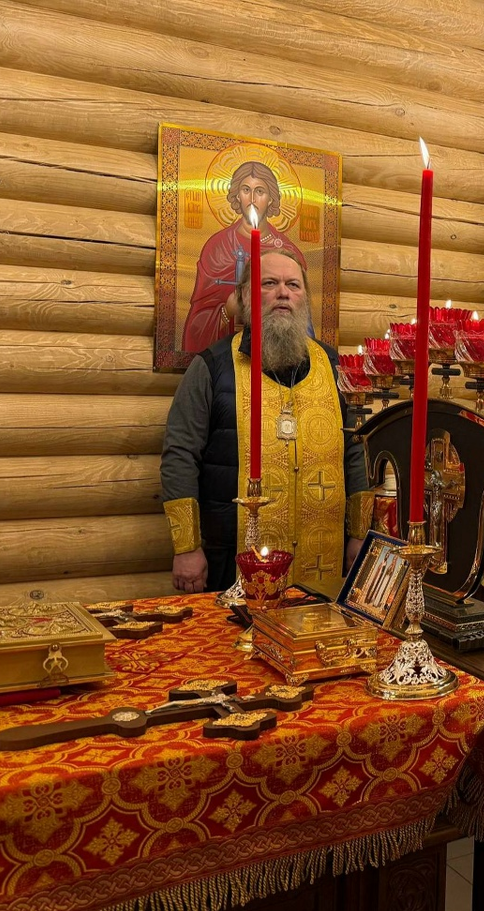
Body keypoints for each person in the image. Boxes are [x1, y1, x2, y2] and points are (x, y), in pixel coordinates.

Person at [162, 249, 371, 599]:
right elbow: (180, 455)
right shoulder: (212, 366)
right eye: (269, 283)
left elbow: (356, 450)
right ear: (245, 296)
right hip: (231, 557)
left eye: (293, 285)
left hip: (324, 557)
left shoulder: (334, 366)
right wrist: (186, 547)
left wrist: (359, 534)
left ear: (304, 298)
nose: (283, 293)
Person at [181, 160, 309, 354]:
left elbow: (303, 322)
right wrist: (227, 312)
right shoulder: (218, 246)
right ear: (237, 195)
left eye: (260, 191)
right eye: (246, 190)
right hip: (226, 358)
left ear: (271, 198)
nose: (252, 199)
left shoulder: (289, 253)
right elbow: (198, 319)